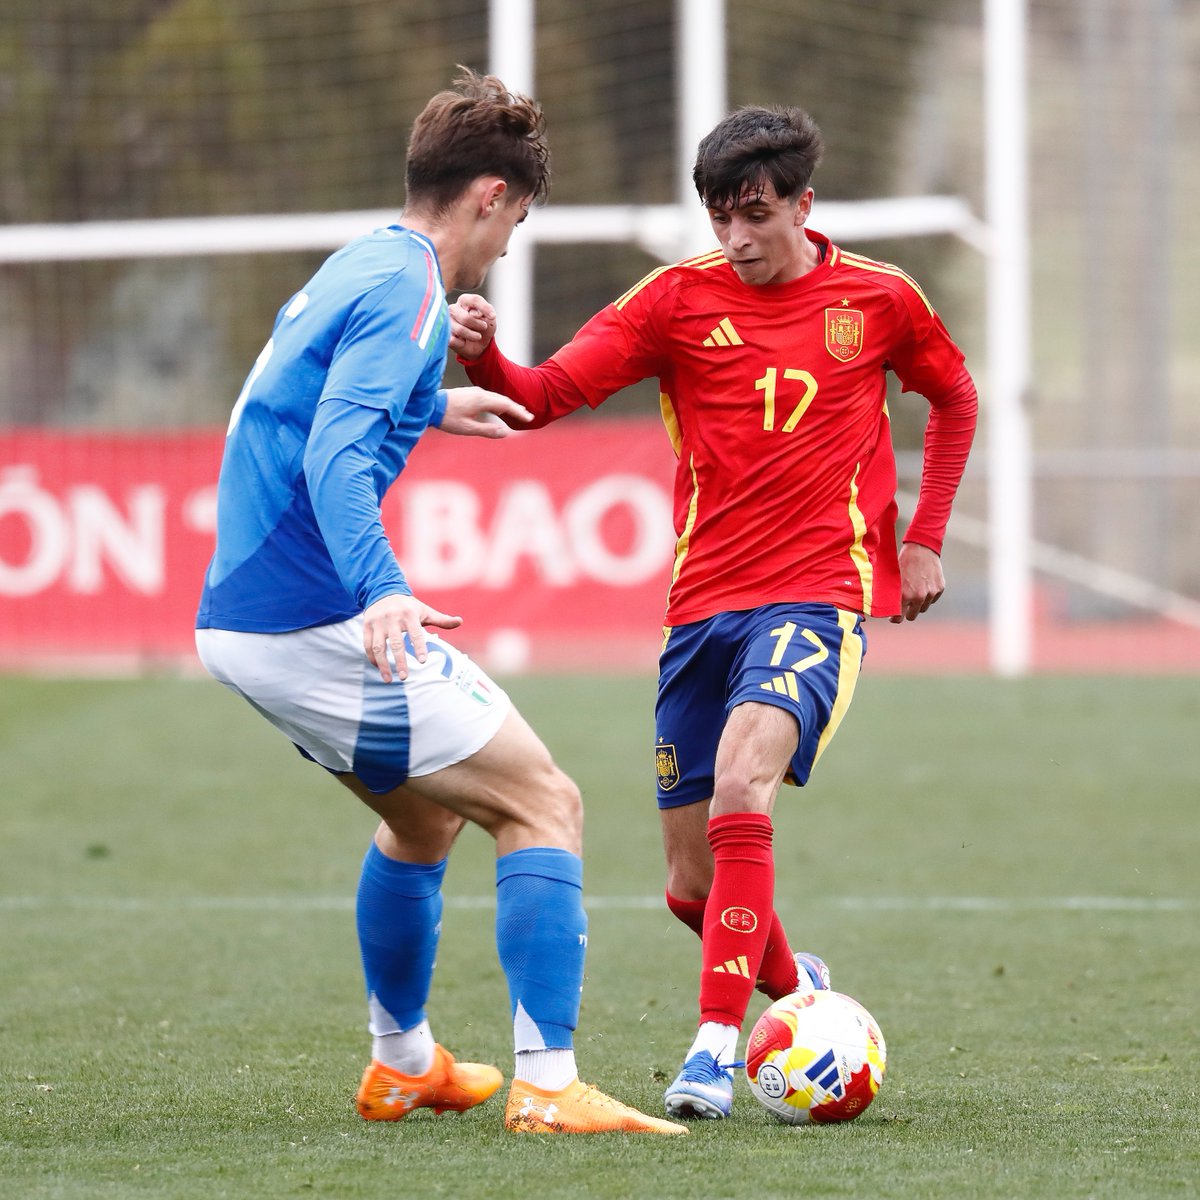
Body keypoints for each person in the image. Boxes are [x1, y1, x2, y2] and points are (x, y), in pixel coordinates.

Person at [450, 102, 978, 1120]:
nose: (736, 238)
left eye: (755, 215)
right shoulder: (674, 303)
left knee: (746, 784)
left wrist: (924, 539)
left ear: (802, 205)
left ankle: (710, 1051)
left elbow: (953, 396)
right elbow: (545, 394)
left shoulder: (879, 299)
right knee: (692, 889)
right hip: (701, 610)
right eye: (720, 218)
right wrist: (482, 356)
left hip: (818, 597)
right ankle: (803, 997)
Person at [195, 68, 686, 1138]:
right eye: (518, 217)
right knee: (544, 801)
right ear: (490, 197)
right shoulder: (407, 289)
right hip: (306, 613)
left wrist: (434, 400)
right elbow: (331, 450)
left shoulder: (368, 263)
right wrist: (382, 590)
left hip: (248, 614)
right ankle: (549, 1086)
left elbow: (310, 400)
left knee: (423, 822)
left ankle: (404, 1065)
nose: (512, 240)